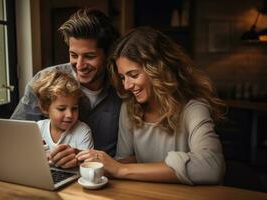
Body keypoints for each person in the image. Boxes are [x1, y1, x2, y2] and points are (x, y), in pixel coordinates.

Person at [76, 27, 226, 185]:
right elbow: (123, 161)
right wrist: (93, 162)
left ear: (159, 69)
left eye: (133, 75)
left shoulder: (193, 108)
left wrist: (121, 169)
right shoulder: (129, 107)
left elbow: (212, 167)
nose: (126, 85)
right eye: (122, 77)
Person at [11, 8, 121, 168]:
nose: (80, 65)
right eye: (74, 55)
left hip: (103, 179)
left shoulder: (123, 87)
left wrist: (80, 158)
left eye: (90, 56)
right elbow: (15, 135)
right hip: (50, 172)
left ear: (107, 55)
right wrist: (36, 151)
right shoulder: (44, 80)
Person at [32, 70, 93, 153]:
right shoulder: (37, 129)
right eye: (61, 109)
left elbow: (86, 162)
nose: (70, 115)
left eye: (74, 108)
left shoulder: (82, 131)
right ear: (45, 107)